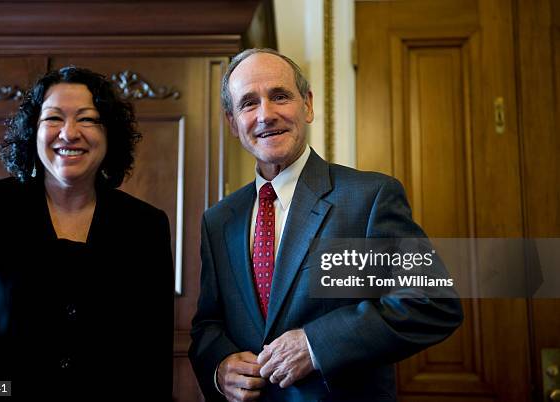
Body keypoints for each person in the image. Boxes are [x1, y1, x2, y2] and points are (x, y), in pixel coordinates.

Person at [189, 48, 463, 402]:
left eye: (279, 96)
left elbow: (432, 302)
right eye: (248, 103)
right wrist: (219, 367)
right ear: (232, 123)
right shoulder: (218, 220)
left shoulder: (370, 197)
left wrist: (316, 344)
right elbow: (208, 324)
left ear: (307, 105)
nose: (265, 115)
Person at [0, 66, 174, 397]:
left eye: (87, 119)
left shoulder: (145, 226)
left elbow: (151, 362)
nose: (69, 133)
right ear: (32, 132)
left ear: (109, 134)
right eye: (53, 118)